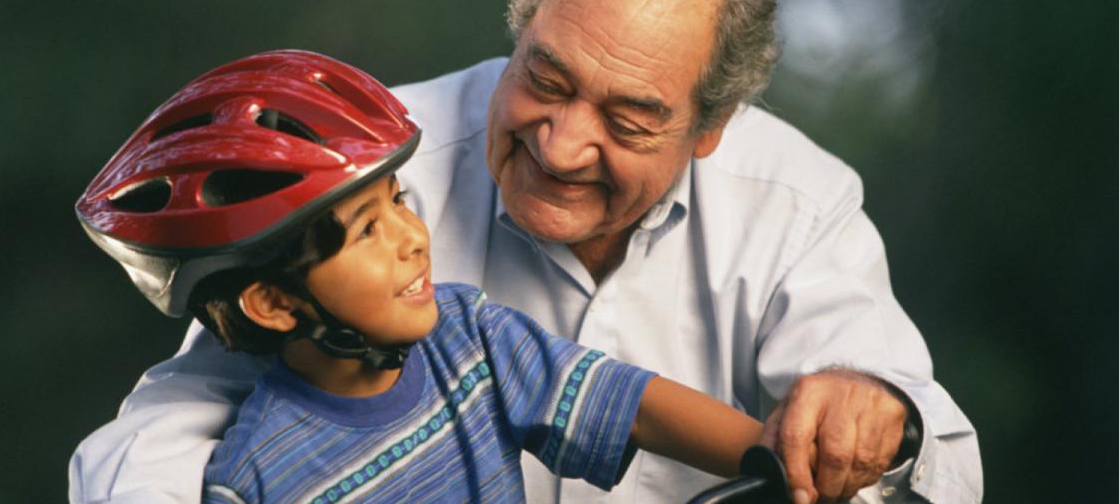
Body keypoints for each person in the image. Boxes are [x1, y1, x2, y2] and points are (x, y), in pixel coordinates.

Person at [70, 0, 983, 503]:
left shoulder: (798, 203)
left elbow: (933, 452)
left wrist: (874, 416)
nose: (563, 143)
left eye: (628, 121)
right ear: (522, 29)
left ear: (710, 130)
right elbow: (172, 417)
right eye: (545, 79)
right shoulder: (360, 165)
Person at [76, 50, 764, 503]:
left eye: (398, 201)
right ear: (273, 302)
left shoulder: (468, 337)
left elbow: (627, 401)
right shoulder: (259, 477)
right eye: (370, 229)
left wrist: (769, 454)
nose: (411, 237)